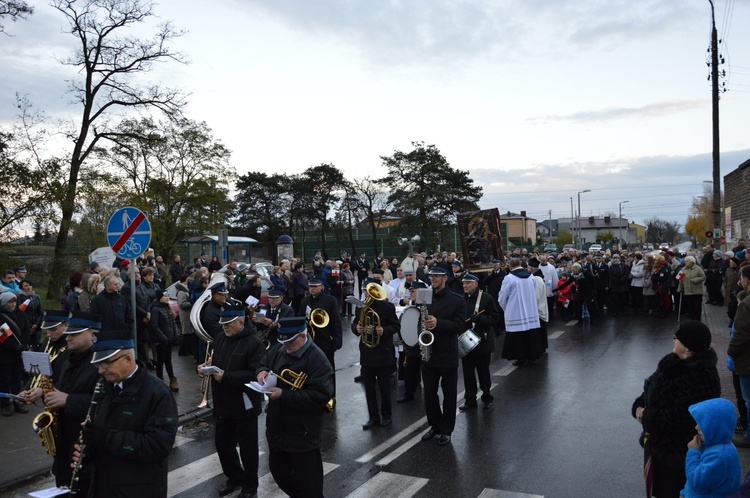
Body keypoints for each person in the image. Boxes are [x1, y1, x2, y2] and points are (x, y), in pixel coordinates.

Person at [77, 329, 178, 497]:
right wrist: (87, 448)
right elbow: (100, 433)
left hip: (137, 489)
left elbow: (158, 447)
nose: (100, 370)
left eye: (106, 363)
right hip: (104, 485)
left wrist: (106, 438)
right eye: (98, 364)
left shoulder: (157, 393)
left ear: (128, 360)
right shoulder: (105, 386)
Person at [632, 321, 721, 498]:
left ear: (688, 348)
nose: (673, 339)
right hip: (659, 448)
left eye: (677, 338)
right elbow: (651, 387)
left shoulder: (702, 377)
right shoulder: (672, 361)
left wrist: (649, 416)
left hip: (678, 454)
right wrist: (639, 405)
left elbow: (683, 417)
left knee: (672, 492)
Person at [256, 317, 334, 498]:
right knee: (278, 471)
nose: (285, 347)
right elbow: (264, 362)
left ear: (302, 335)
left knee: (309, 483)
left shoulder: (318, 359)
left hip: (303, 431)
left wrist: (284, 394)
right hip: (278, 427)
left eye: (290, 342)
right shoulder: (280, 349)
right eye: (283, 342)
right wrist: (261, 371)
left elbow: (320, 396)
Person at [197, 301, 264, 498]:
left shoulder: (254, 343)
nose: (224, 326)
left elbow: (256, 374)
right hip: (223, 403)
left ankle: (250, 486)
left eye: (229, 322)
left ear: (241, 322)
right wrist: (204, 368)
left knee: (248, 449)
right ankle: (235, 478)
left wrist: (227, 377)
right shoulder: (219, 338)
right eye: (223, 322)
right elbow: (215, 362)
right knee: (223, 445)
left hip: (245, 404)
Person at [32, 311, 101, 494]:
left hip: (85, 449)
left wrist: (68, 400)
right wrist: (44, 391)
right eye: (68, 333)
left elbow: (106, 403)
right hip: (64, 449)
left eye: (74, 334)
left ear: (93, 333)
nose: (68, 338)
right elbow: (63, 387)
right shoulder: (70, 360)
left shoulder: (100, 364)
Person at [419, 266, 465, 447]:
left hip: (447, 352)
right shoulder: (425, 296)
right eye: (431, 276)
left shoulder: (457, 300)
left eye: (436, 276)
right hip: (428, 352)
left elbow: (460, 326)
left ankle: (446, 430)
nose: (433, 279)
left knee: (448, 394)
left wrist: (438, 323)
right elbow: (419, 318)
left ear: (445, 278)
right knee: (429, 393)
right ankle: (435, 426)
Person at [351, 283, 399, 429]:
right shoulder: (360, 307)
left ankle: (386, 415)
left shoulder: (387, 307)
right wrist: (357, 329)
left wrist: (383, 330)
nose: (366, 294)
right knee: (369, 388)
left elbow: (396, 326)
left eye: (368, 291)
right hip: (366, 352)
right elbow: (354, 325)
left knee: (384, 387)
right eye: (365, 291)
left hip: (382, 351)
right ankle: (373, 417)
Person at [679, 398, 741, 498]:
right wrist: (684, 493)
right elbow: (691, 483)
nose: (696, 427)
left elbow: (697, 482)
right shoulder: (712, 444)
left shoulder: (719, 455)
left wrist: (693, 452)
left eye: (702, 424)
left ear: (716, 426)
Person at [459, 273, 500, 410]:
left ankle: (487, 397)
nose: (465, 286)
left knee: (483, 372)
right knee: (468, 373)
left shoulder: (486, 298)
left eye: (468, 283)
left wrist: (480, 319)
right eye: (464, 283)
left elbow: (495, 317)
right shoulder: (461, 299)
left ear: (475, 284)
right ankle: (470, 400)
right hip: (465, 342)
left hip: (482, 341)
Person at [298, 277, 342, 395]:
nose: (312, 289)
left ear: (321, 287)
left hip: (325, 340)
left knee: (328, 369)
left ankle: (331, 396)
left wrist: (337, 340)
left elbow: (336, 322)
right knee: (310, 370)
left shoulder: (330, 301)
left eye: (314, 287)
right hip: (309, 341)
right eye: (310, 287)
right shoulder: (305, 301)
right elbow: (301, 319)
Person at [498, 257, 542, 366]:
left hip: (515, 311)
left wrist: (506, 308)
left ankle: (520, 358)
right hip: (531, 310)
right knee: (530, 334)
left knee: (518, 337)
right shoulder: (531, 276)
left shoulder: (509, 278)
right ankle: (532, 357)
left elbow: (502, 297)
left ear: (510, 266)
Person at [728, 266, 750, 447]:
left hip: (746, 360)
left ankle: (749, 435)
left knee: (748, 399)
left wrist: (731, 352)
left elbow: (741, 334)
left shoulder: (746, 304)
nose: (740, 282)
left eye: (742, 279)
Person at [0, 291, 30, 416]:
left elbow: (26, 330)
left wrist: (23, 344)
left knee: (16, 379)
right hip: (5, 354)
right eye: (9, 302)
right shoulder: (1, 316)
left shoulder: (21, 314)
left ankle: (18, 401)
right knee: (5, 380)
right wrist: (15, 347)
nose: (12, 305)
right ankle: (5, 405)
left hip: (19, 353)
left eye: (14, 302)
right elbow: (3, 336)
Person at [148, 290, 179, 392]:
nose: (167, 297)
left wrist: (175, 335)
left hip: (168, 339)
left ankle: (172, 380)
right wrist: (162, 338)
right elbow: (154, 325)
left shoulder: (166, 307)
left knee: (168, 361)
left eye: (168, 295)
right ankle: (160, 381)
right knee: (160, 361)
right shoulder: (156, 309)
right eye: (165, 296)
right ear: (160, 297)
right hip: (161, 340)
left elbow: (172, 322)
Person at [676, 256, 706, 322]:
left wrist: (695, 280)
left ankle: (697, 320)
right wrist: (679, 288)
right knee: (690, 306)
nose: (685, 262)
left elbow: (703, 277)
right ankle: (692, 319)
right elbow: (680, 280)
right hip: (687, 291)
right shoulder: (683, 269)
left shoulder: (698, 268)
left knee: (697, 307)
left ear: (691, 262)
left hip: (697, 291)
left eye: (686, 261)